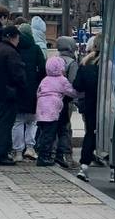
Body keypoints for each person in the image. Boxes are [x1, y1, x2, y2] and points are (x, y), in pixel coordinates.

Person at [0, 26, 26, 166]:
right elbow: (18, 75)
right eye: (17, 37)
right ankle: (1, 155)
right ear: (13, 37)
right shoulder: (11, 53)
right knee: (5, 125)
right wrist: (22, 87)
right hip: (9, 94)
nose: (18, 40)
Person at [34, 56, 76, 167]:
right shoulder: (62, 80)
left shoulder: (45, 80)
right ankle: (44, 158)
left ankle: (43, 154)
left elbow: (39, 92)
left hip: (41, 110)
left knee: (44, 134)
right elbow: (71, 92)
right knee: (50, 135)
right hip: (52, 111)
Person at [15, 22, 46, 161]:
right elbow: (43, 69)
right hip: (33, 89)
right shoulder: (36, 49)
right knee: (32, 121)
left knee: (17, 121)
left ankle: (17, 151)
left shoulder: (15, 49)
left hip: (18, 88)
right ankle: (30, 148)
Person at [74, 38, 101, 181]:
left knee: (90, 133)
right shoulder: (112, 65)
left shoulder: (85, 66)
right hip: (110, 106)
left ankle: (84, 166)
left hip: (91, 105)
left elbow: (77, 86)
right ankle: (114, 171)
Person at [53, 36, 80, 169]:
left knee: (54, 127)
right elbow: (73, 82)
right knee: (66, 128)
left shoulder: (54, 59)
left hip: (52, 99)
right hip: (66, 100)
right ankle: (67, 155)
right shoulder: (72, 63)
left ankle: (54, 152)